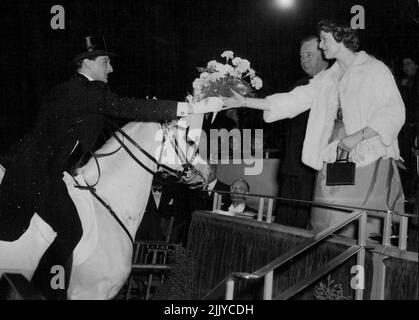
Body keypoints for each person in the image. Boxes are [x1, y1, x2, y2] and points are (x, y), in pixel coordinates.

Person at [0, 35, 222, 299]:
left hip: (48, 172)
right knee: (71, 228)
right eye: (105, 61)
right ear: (86, 63)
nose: (111, 68)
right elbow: (128, 106)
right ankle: (46, 292)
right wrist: (190, 107)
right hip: (35, 175)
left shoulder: (77, 93)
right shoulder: (84, 91)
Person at [223, 19, 405, 238]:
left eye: (324, 39)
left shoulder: (375, 69)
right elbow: (292, 100)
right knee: (326, 226)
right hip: (333, 160)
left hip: (368, 162)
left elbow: (394, 112)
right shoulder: (329, 77)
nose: (321, 45)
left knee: (363, 230)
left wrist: (357, 137)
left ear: (341, 37)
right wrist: (244, 102)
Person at [275, 35, 329, 229]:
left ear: (325, 54)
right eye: (301, 55)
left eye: (309, 54)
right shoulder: (297, 86)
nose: (303, 59)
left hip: (316, 171)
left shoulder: (335, 84)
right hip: (291, 167)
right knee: (284, 224)